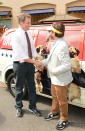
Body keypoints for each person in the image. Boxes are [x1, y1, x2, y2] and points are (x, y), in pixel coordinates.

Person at [36, 22, 73, 130]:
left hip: (60, 79)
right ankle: (54, 112)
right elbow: (51, 59)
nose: (49, 32)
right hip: (55, 78)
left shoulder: (61, 45)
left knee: (62, 101)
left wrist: (53, 70)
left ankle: (64, 119)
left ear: (54, 32)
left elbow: (67, 65)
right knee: (55, 97)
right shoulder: (56, 43)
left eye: (50, 31)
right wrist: (41, 63)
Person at [11, 13, 41, 117]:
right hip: (19, 65)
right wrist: (34, 62)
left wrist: (36, 57)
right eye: (28, 23)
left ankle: (32, 107)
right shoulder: (15, 35)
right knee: (19, 88)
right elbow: (20, 55)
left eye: (30, 22)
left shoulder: (28, 32)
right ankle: (19, 107)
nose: (30, 24)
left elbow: (32, 48)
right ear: (21, 23)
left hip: (29, 64)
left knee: (32, 86)